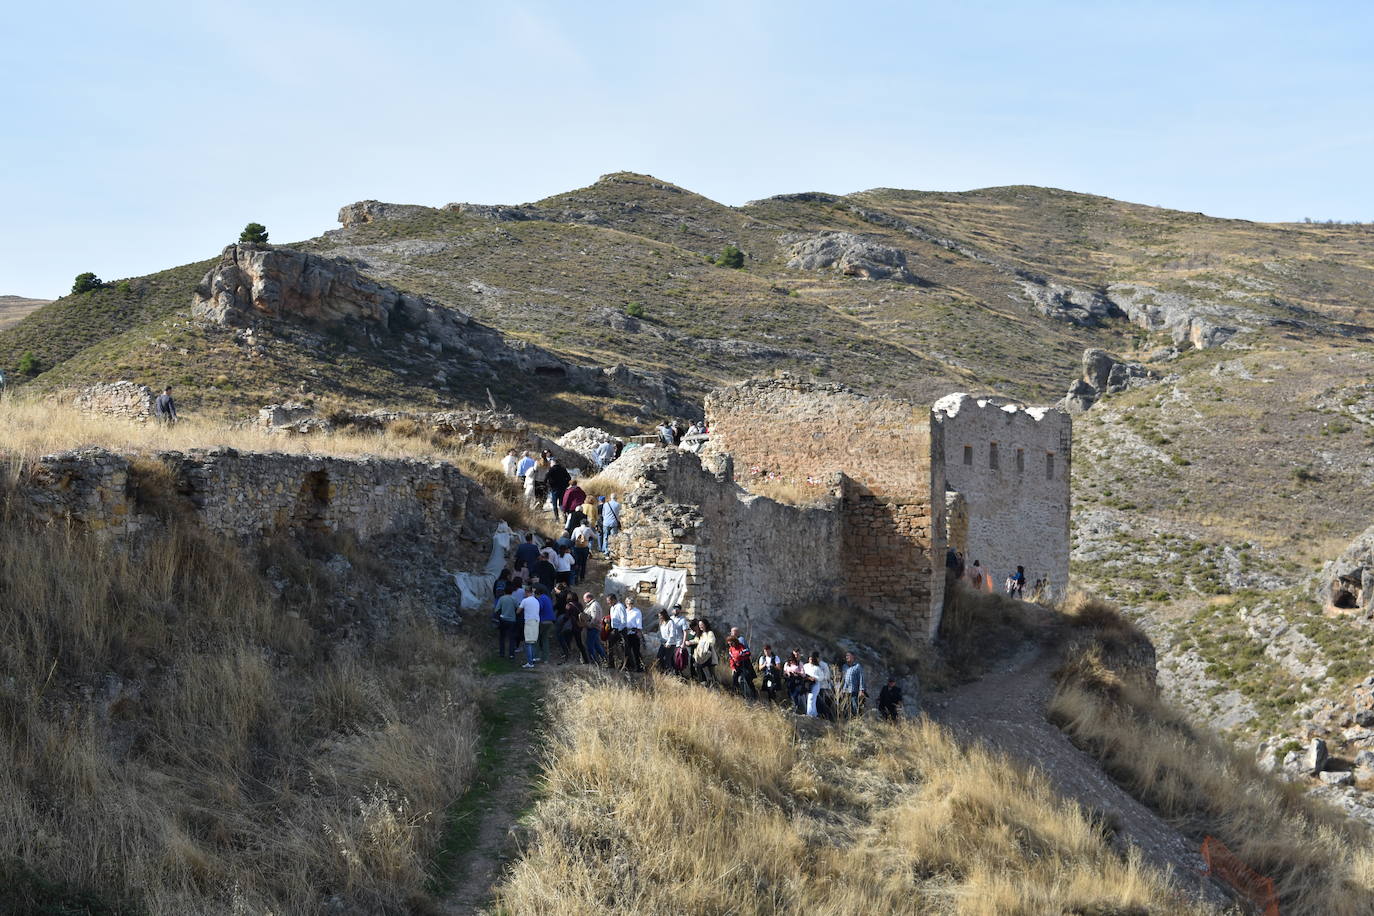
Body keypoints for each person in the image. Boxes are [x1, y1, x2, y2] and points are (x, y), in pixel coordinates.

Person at [495, 576, 521, 659]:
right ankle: (511, 654)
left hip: (503, 619)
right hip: (512, 620)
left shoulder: (501, 599)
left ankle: (502, 653)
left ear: (504, 591)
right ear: (512, 591)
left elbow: (497, 609)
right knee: (511, 638)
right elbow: (518, 608)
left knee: (502, 637)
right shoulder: (514, 599)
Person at [802, 652, 831, 719]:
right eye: (809, 659)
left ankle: (809, 713)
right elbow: (803, 673)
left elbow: (822, 677)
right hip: (807, 684)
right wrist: (807, 677)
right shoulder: (805, 666)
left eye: (812, 659)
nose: (811, 660)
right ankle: (814, 713)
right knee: (809, 698)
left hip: (815, 684)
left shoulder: (817, 668)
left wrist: (815, 678)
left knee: (811, 698)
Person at [582, 592, 608, 665]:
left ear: (589, 598)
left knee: (589, 645)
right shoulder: (592, 605)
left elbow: (595, 618)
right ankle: (604, 659)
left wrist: (589, 625)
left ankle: (594, 662)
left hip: (593, 628)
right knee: (597, 645)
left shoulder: (594, 605)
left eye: (585, 599)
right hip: (594, 628)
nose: (584, 600)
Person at [519, 588, 542, 668]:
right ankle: (533, 659)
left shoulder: (525, 600)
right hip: (536, 621)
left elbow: (518, 611)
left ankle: (530, 662)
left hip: (529, 621)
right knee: (533, 642)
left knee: (528, 643)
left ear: (526, 592)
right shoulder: (536, 601)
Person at [692, 618, 718, 687]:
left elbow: (711, 642)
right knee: (701, 670)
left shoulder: (710, 633)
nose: (700, 626)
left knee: (711, 674)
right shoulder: (701, 634)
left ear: (705, 625)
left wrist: (703, 644)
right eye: (699, 625)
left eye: (702, 625)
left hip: (709, 656)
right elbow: (696, 640)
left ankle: (715, 688)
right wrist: (689, 642)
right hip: (701, 656)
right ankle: (706, 685)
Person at [841, 652, 867, 718]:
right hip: (845, 691)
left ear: (853, 657)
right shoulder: (844, 666)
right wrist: (841, 689)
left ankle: (857, 720)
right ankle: (848, 720)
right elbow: (843, 679)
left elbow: (861, 678)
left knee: (855, 706)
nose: (847, 657)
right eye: (846, 656)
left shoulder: (857, 666)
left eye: (848, 655)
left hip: (854, 690)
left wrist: (861, 690)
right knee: (846, 707)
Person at [622, 594, 644, 672]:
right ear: (626, 603)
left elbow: (639, 624)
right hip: (625, 633)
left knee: (636, 651)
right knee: (626, 651)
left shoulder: (637, 612)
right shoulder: (624, 611)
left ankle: (640, 667)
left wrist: (638, 633)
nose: (630, 605)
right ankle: (627, 666)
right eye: (628, 603)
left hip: (633, 633)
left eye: (631, 603)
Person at [536, 585, 556, 662]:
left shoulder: (540, 598)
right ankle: (546, 659)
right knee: (545, 640)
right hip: (550, 621)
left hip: (542, 621)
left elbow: (539, 608)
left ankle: (537, 656)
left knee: (537, 639)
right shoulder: (547, 598)